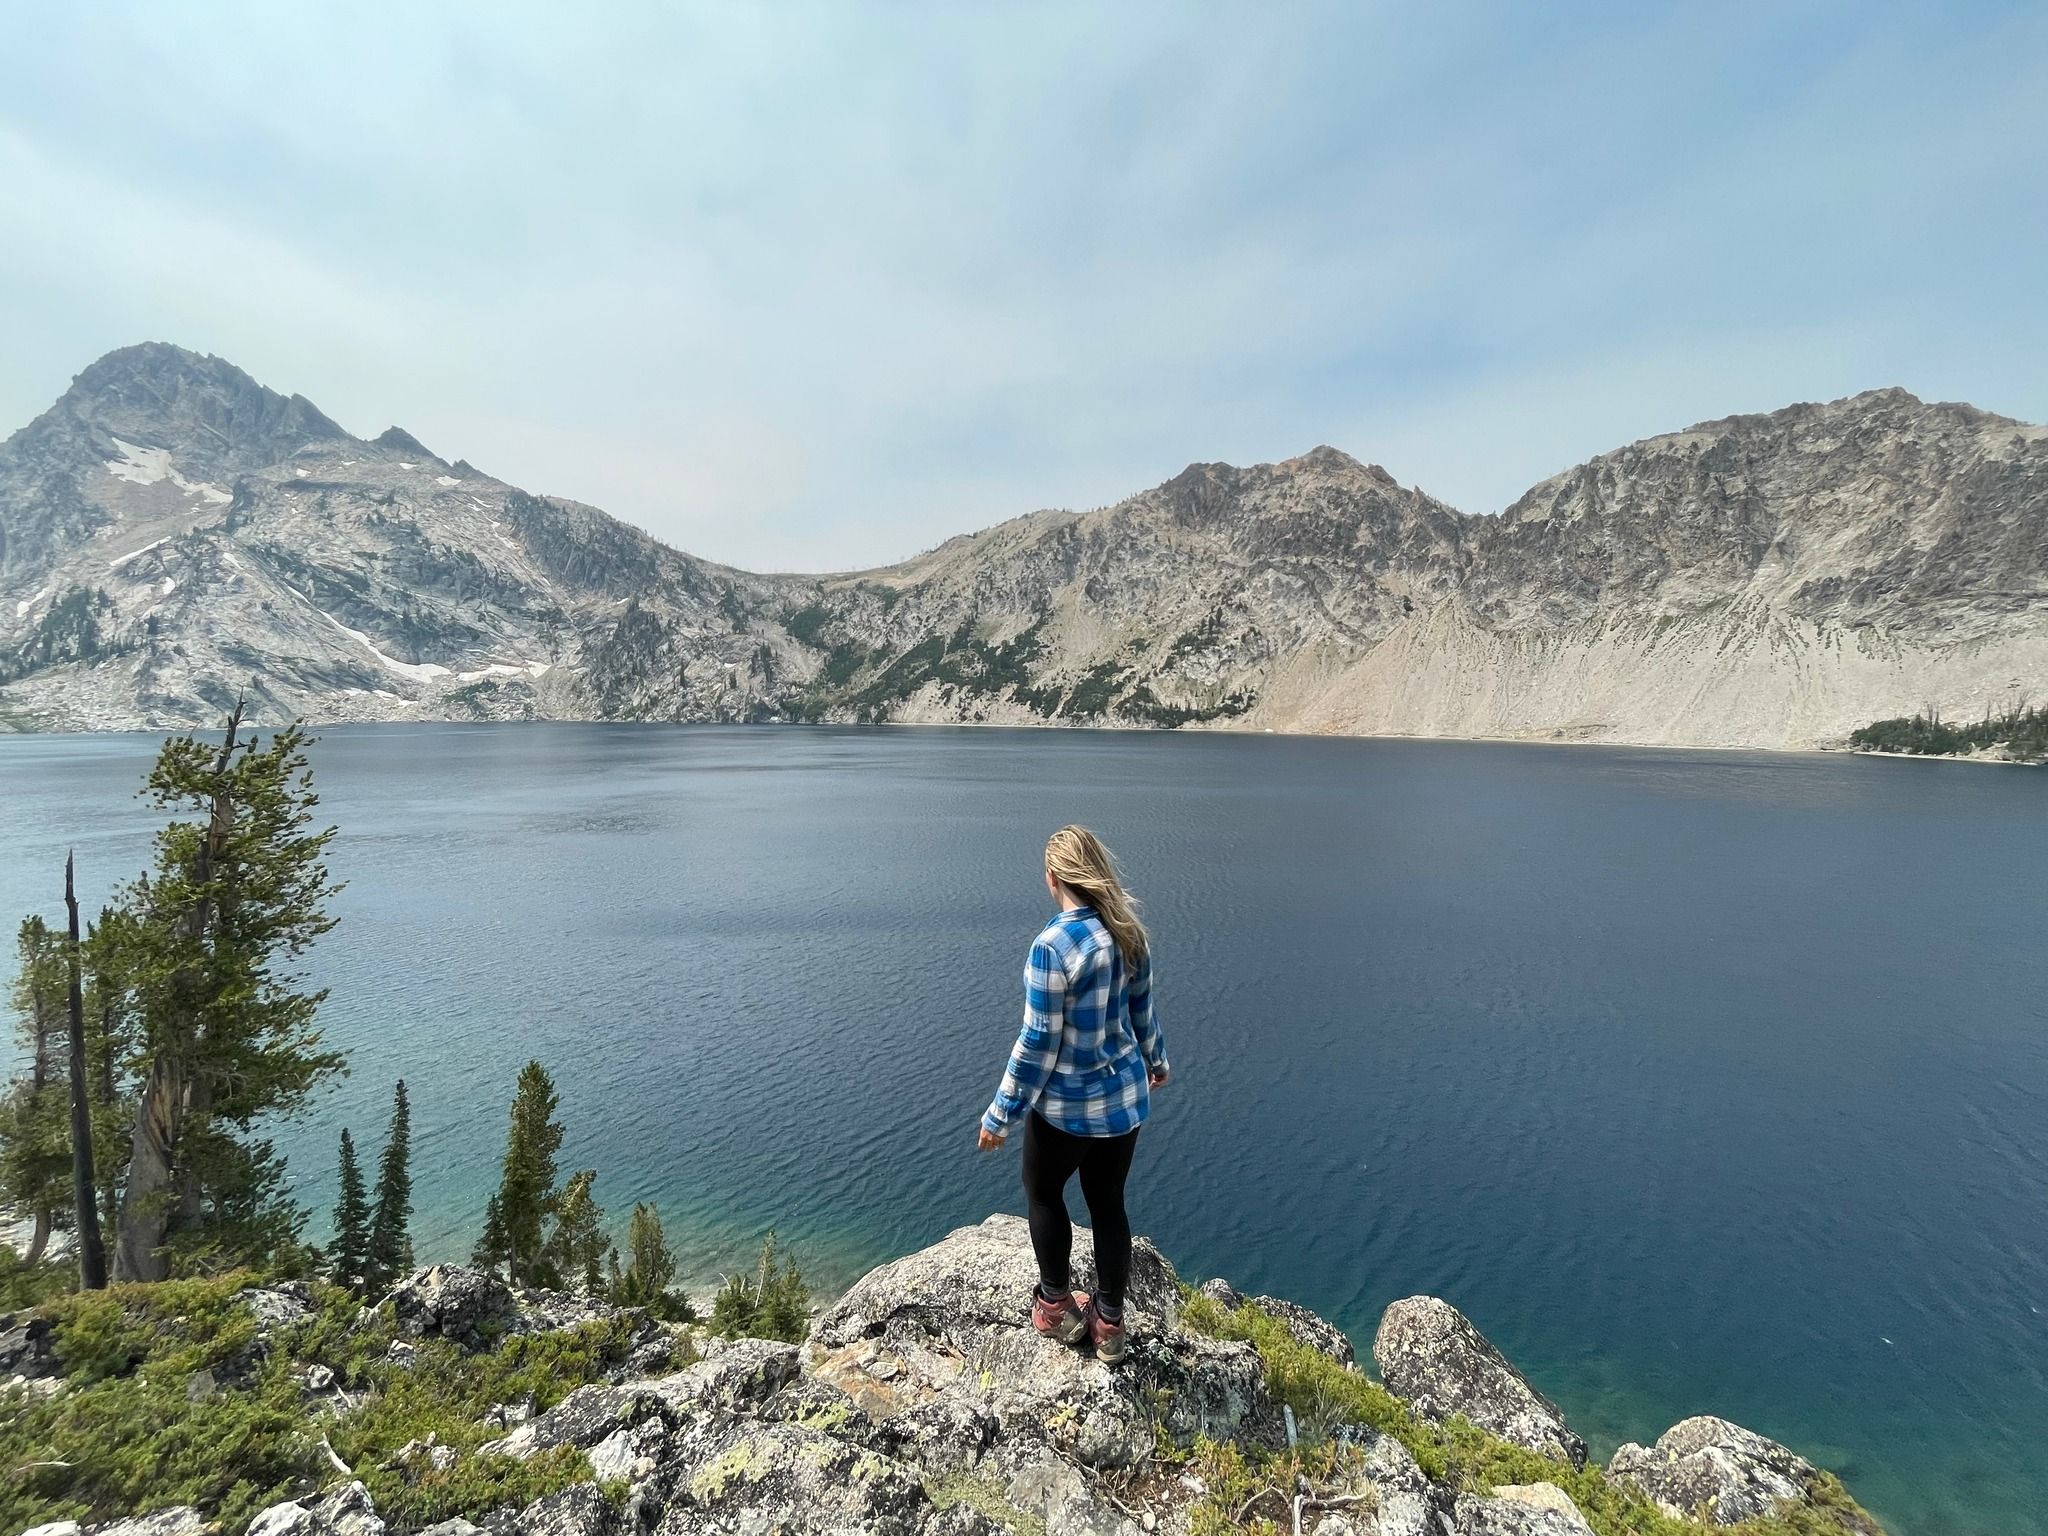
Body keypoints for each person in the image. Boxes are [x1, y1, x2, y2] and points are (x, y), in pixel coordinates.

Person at [978, 825, 1169, 1366]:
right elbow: (1142, 1011)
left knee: (1042, 1193)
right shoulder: (1128, 933)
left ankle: (1056, 1307)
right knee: (1108, 1204)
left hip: (1065, 1110)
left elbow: (1038, 1042)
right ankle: (1109, 1324)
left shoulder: (1052, 948)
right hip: (1123, 1102)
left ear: (1053, 878)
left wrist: (1001, 1114)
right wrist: (1156, 1061)